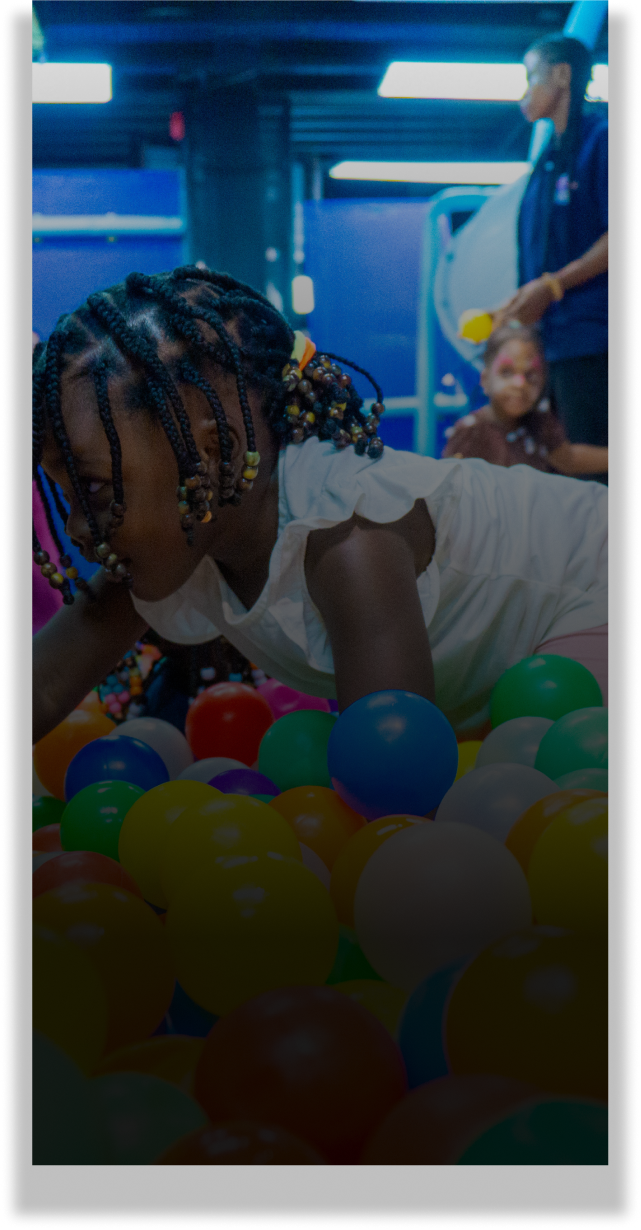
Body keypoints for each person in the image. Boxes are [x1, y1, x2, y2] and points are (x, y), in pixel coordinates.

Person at [31, 266, 608, 748]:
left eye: (99, 491)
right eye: (66, 498)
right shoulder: (182, 533)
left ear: (212, 453)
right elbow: (42, 686)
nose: (80, 529)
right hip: (510, 667)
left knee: (540, 775)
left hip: (592, 582)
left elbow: (393, 772)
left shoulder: (347, 539)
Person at [492, 34, 608, 481]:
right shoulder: (546, 163)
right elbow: (541, 258)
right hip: (549, 345)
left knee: (591, 474)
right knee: (556, 473)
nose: (523, 93)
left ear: (562, 75)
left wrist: (554, 286)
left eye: (529, 78)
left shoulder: (600, 142)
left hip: (590, 343)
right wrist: (514, 308)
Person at [442, 323, 608, 477]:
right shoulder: (471, 432)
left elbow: (569, 459)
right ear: (485, 380)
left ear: (543, 381)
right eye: (507, 372)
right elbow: (449, 489)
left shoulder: (540, 425)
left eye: (530, 376)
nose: (520, 384)